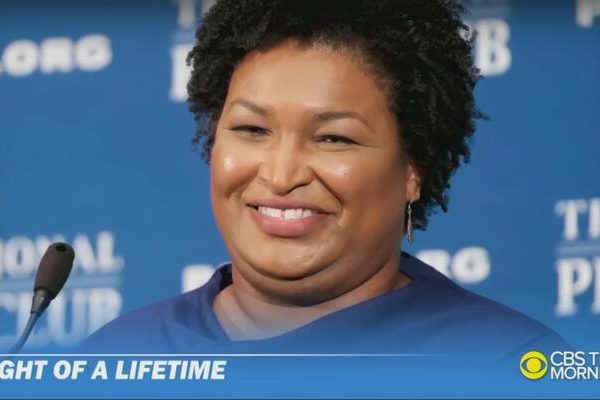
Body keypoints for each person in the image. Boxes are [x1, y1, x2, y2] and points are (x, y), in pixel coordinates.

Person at [83, 0, 567, 361]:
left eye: (333, 138)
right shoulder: (116, 356)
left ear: (413, 170)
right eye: (252, 130)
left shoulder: (509, 363)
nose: (281, 175)